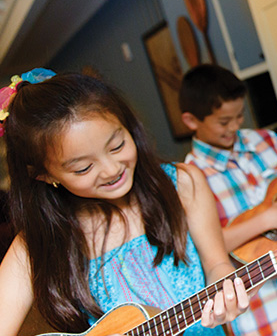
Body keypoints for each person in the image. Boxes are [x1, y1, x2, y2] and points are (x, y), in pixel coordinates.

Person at [0, 70, 251, 336]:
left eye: (117, 146)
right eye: (84, 168)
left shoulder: (184, 183)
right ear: (45, 175)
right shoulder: (36, 243)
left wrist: (225, 286)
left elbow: (215, 263)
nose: (111, 169)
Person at [179, 64, 277, 336]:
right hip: (267, 314)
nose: (234, 126)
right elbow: (206, 248)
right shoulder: (189, 178)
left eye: (239, 116)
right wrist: (266, 219)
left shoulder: (266, 139)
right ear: (191, 121)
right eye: (223, 121)